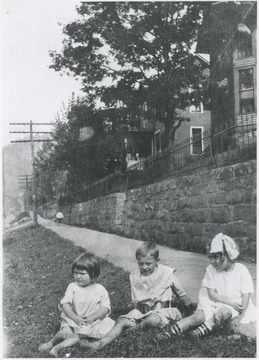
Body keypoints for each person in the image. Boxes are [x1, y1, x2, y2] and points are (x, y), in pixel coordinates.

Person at [80, 241, 194, 350]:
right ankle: (100, 343)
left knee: (152, 320)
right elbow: (136, 301)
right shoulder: (135, 277)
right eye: (141, 264)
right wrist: (140, 308)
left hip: (162, 311)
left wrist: (189, 307)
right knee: (121, 321)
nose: (144, 267)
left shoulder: (166, 273)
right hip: (142, 312)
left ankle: (129, 332)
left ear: (157, 261)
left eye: (148, 264)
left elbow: (180, 292)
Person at [163, 233, 256, 339]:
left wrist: (240, 316)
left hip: (233, 307)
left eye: (215, 257)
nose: (212, 261)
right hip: (213, 301)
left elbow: (246, 297)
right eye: (210, 258)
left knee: (223, 313)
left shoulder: (241, 270)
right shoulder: (211, 270)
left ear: (225, 256)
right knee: (197, 317)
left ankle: (197, 333)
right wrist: (230, 303)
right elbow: (212, 294)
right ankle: (168, 333)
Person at [38, 252, 115, 357]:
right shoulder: (73, 287)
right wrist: (75, 318)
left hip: (89, 321)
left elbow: (105, 308)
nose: (78, 276)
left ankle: (58, 347)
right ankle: (51, 342)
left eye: (82, 274)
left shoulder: (100, 289)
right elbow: (65, 304)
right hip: (72, 319)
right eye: (76, 273)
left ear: (93, 275)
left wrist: (92, 317)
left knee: (79, 335)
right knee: (65, 331)